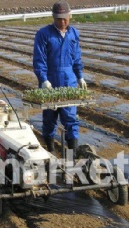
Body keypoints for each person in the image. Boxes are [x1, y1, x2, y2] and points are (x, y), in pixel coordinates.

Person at [33, 0, 87, 156]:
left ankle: (72, 154)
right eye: (59, 19)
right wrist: (43, 79)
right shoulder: (44, 34)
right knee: (49, 118)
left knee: (70, 117)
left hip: (69, 80)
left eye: (65, 18)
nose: (62, 22)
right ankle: (49, 149)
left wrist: (80, 76)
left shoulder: (73, 34)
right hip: (50, 79)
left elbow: (76, 57)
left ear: (69, 16)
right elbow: (39, 59)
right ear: (53, 17)